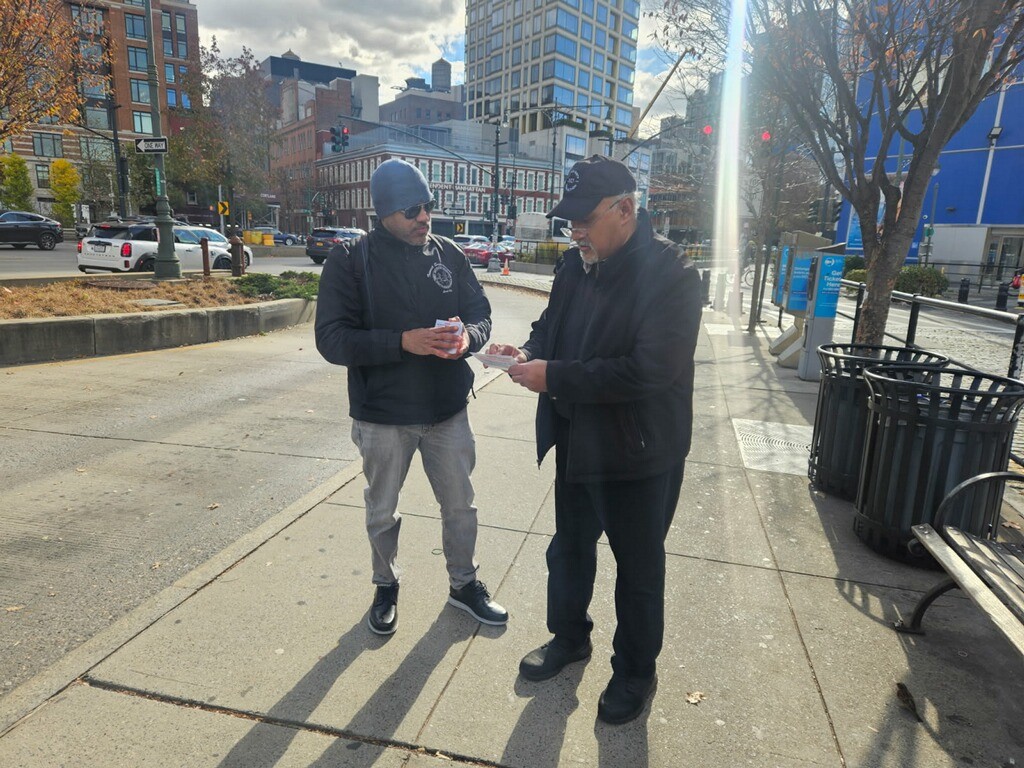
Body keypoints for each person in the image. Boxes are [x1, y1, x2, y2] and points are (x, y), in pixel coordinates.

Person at [487, 155, 701, 725]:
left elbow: (648, 371)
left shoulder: (673, 275)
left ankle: (635, 670)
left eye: (585, 219)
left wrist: (555, 377)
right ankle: (569, 637)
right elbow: (550, 329)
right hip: (578, 438)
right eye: (570, 220)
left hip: (639, 452)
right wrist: (526, 352)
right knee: (569, 549)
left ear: (625, 210)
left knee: (638, 569)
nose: (575, 231)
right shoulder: (574, 267)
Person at [315, 158, 508, 636]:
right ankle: (385, 585)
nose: (424, 217)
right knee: (382, 510)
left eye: (427, 206)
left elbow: (480, 312)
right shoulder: (350, 260)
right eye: (411, 210)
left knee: (461, 505)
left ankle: (464, 584)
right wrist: (402, 342)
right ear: (382, 212)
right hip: (383, 415)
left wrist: (469, 338)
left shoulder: (448, 253)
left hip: (447, 411)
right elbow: (331, 340)